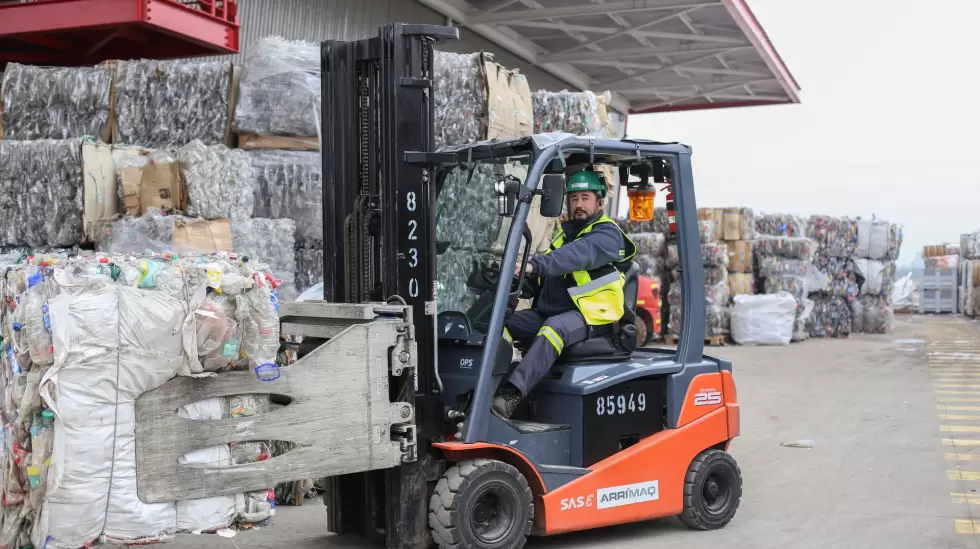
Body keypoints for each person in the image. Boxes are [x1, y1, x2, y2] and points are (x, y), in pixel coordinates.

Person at [492, 168, 636, 419]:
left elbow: (575, 256)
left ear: (600, 201)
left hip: (593, 317)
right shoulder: (565, 236)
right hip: (556, 311)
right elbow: (547, 269)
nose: (578, 204)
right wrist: (518, 275)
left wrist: (535, 265)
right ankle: (487, 383)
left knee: (553, 329)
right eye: (574, 198)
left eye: (585, 198)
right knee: (501, 324)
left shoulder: (606, 234)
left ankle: (511, 394)